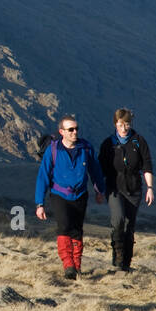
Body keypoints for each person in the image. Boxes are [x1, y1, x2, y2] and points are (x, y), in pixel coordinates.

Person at [34, 114, 105, 279]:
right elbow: (43, 176)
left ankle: (77, 265)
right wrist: (39, 203)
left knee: (77, 230)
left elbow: (95, 171)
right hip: (59, 195)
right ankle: (68, 265)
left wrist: (99, 191)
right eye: (70, 129)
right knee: (64, 227)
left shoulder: (86, 148)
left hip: (80, 195)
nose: (75, 132)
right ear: (62, 132)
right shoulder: (53, 150)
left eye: (76, 129)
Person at [97, 108, 154, 271]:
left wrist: (150, 187)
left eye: (127, 124)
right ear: (115, 124)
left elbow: (147, 166)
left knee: (130, 225)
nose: (124, 128)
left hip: (134, 188)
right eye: (121, 124)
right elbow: (100, 168)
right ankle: (118, 256)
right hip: (114, 188)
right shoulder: (108, 143)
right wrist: (98, 189)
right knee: (118, 220)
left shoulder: (139, 141)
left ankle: (126, 263)